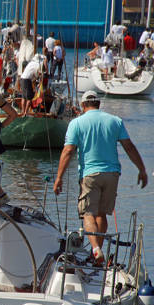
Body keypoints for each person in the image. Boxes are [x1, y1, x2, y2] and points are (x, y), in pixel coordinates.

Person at [53, 91, 147, 265]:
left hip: (89, 174)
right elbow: (129, 147)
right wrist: (142, 169)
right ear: (99, 104)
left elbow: (68, 151)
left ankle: (96, 250)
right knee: (102, 214)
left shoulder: (76, 123)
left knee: (88, 213)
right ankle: (96, 254)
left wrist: (59, 178)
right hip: (112, 174)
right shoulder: (115, 121)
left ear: (82, 105)